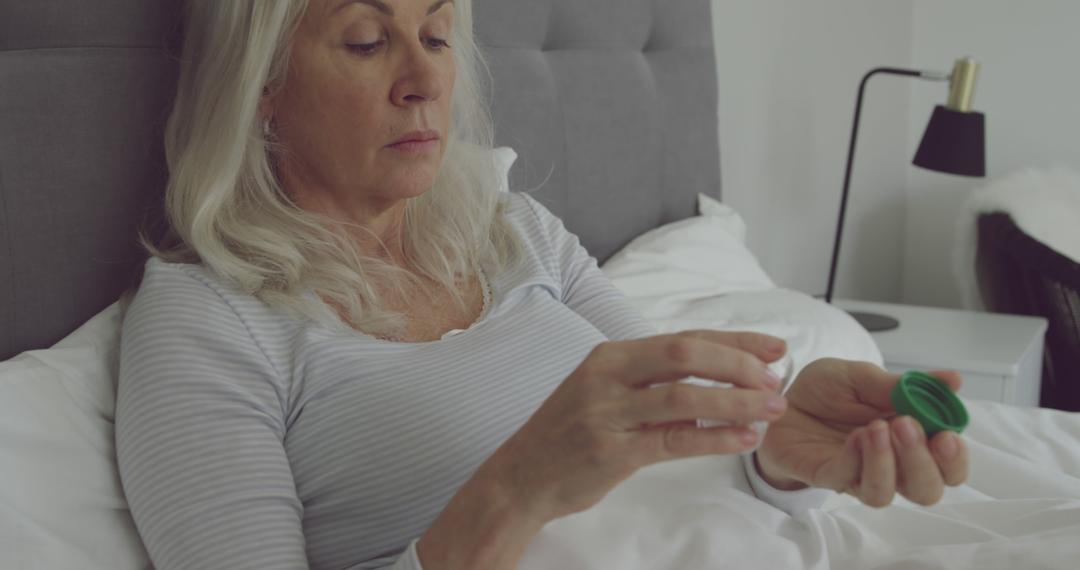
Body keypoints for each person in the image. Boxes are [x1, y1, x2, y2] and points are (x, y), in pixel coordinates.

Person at [115, 0, 970, 568]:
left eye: (439, 35)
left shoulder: (513, 229)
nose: (424, 80)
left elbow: (679, 424)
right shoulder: (206, 319)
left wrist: (775, 452)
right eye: (368, 42)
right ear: (263, 85)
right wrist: (515, 490)